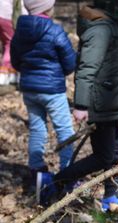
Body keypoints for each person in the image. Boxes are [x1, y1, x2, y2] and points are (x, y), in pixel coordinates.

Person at [37, 0, 118, 208]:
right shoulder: (100, 30)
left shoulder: (109, 25)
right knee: (104, 157)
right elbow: (86, 68)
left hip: (111, 101)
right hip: (101, 103)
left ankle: (112, 197)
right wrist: (81, 105)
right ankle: (54, 183)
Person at [10, 0, 76, 194]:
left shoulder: (19, 31)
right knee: (64, 130)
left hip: (30, 90)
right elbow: (70, 62)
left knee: (37, 128)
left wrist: (30, 72)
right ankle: (68, 172)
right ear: (47, 7)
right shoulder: (55, 31)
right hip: (52, 90)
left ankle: (36, 170)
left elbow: (15, 61)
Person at [0, 0, 26, 85]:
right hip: (8, 16)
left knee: (6, 44)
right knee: (11, 44)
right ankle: (4, 74)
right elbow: (22, 6)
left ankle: (11, 73)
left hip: (2, 16)